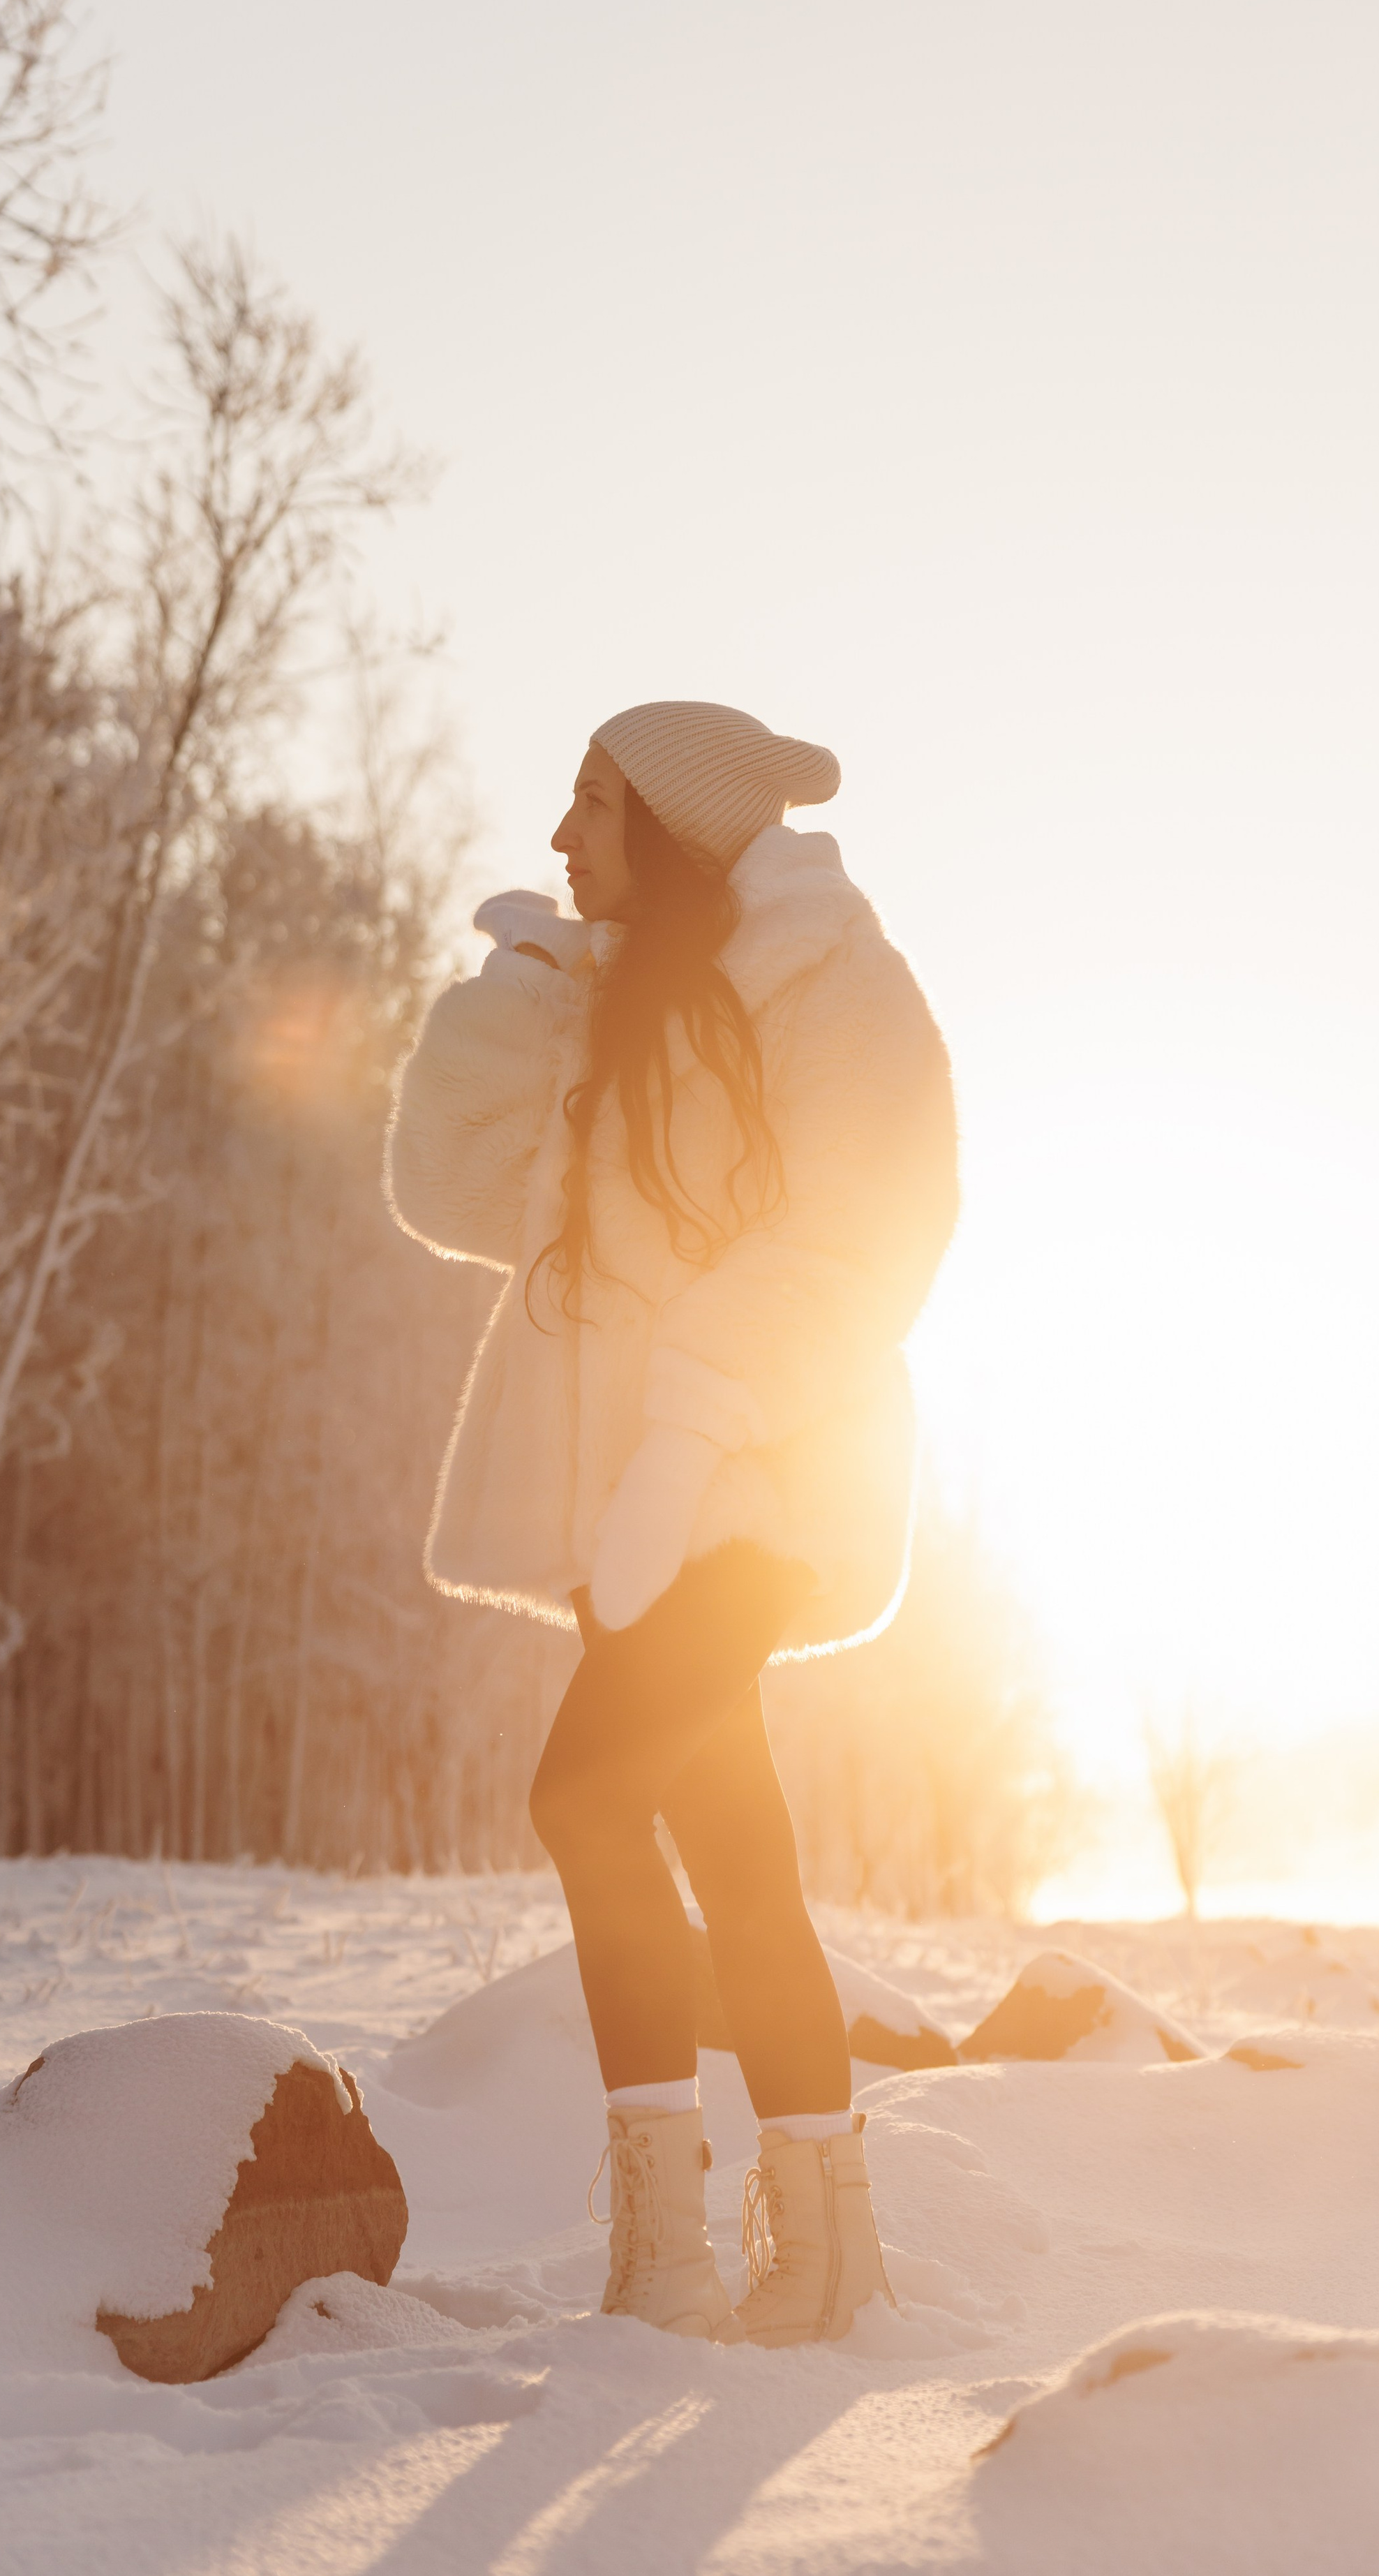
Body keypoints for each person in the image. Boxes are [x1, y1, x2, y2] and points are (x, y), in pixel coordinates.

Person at [387, 700, 958, 2344]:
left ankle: (678, 2244)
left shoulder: (822, 974)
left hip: (751, 1486)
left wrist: (694, 1428)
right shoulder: (612, 1002)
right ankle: (793, 2249)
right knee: (731, 1848)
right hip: (627, 1505)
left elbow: (875, 1221)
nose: (559, 836)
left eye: (591, 804)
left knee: (580, 1792)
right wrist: (513, 999)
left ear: (682, 827)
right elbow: (452, 1196)